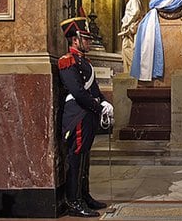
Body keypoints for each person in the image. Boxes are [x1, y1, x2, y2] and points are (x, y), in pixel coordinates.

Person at [58, 17, 114, 217]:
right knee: (76, 157)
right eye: (86, 39)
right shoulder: (67, 61)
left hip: (87, 114)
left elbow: (94, 89)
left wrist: (104, 102)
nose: (89, 43)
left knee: (85, 156)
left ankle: (84, 195)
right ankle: (74, 201)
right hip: (77, 115)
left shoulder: (85, 62)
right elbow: (78, 91)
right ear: (75, 39)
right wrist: (98, 108)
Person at [118, 0, 143, 73]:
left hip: (130, 28)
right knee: (128, 47)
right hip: (130, 27)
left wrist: (127, 23)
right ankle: (129, 69)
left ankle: (131, 70)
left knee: (127, 47)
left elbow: (136, 11)